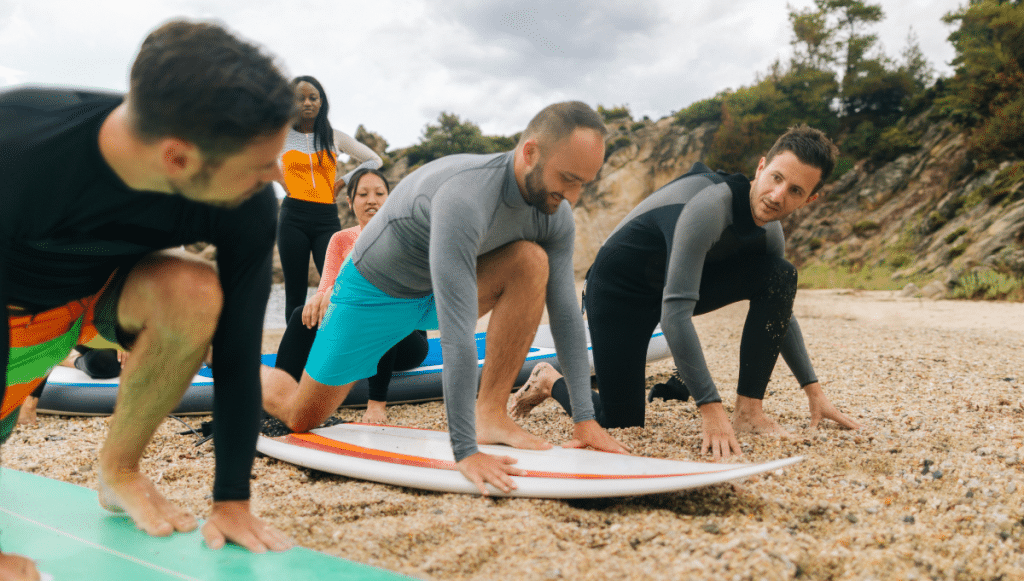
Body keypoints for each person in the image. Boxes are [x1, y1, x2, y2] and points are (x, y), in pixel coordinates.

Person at [0, 19, 298, 581]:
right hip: (14, 319)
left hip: (94, 295)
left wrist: (232, 501)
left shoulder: (242, 201)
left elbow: (239, 352)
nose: (278, 176)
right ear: (179, 158)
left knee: (192, 290)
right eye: (262, 164)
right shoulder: (19, 146)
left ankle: (118, 469)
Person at [261, 101, 628, 495]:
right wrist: (465, 451)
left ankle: (490, 412)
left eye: (583, 184)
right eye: (568, 178)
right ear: (530, 153)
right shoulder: (466, 195)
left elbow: (567, 313)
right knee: (301, 417)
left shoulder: (554, 212)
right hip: (372, 295)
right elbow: (457, 331)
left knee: (530, 261)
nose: (572, 195)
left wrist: (585, 420)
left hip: (432, 293)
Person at [509, 124, 861, 458]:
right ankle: (548, 379)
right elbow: (674, 315)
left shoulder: (769, 232)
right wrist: (710, 408)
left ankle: (749, 412)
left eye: (795, 191)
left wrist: (814, 391)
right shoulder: (709, 206)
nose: (777, 195)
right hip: (618, 295)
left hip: (668, 289)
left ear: (809, 199)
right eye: (777, 178)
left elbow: (779, 310)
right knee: (621, 423)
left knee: (779, 276)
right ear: (762, 166)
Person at [273, 167, 428, 424]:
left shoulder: (405, 238)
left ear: (389, 199)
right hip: (356, 334)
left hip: (405, 340)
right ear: (349, 201)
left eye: (379, 193)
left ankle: (377, 404)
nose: (371, 200)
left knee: (377, 308)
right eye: (363, 194)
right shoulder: (340, 240)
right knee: (302, 314)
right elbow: (324, 289)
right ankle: (278, 401)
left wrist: (339, 293)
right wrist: (321, 298)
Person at [277, 75, 382, 319]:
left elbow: (374, 160)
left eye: (313, 98)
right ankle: (298, 348)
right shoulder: (279, 136)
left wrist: (343, 183)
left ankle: (333, 342)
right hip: (293, 217)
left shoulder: (334, 137)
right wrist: (282, 182)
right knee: (295, 291)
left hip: (326, 217)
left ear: (322, 102)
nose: (307, 103)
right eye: (300, 98)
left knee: (336, 285)